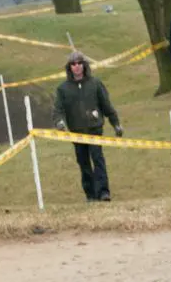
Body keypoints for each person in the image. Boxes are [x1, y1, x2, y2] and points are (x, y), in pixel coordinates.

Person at [53, 50, 123, 202]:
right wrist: (59, 122)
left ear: (84, 65)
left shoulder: (95, 84)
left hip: (94, 129)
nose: (76, 66)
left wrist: (116, 124)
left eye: (79, 63)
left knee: (98, 159)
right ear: (69, 67)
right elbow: (58, 110)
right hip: (77, 133)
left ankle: (104, 192)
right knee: (84, 163)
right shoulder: (63, 89)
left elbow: (106, 106)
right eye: (73, 64)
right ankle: (90, 194)